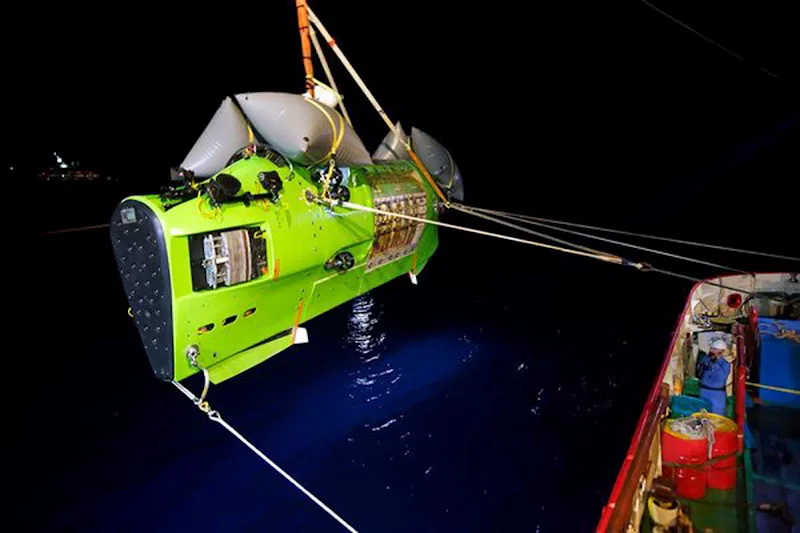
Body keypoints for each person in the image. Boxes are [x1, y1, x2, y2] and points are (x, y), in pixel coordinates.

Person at [696, 338, 731, 416]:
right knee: (702, 415)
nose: (711, 351)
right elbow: (699, 370)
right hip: (704, 390)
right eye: (711, 348)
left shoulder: (725, 365)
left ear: (720, 352)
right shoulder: (706, 359)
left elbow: (720, 376)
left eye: (714, 349)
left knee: (717, 416)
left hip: (717, 394)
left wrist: (716, 362)